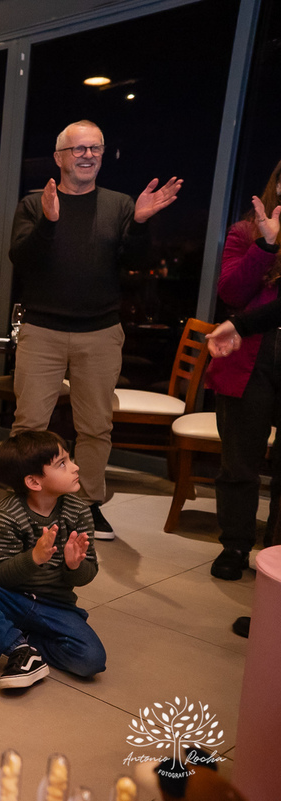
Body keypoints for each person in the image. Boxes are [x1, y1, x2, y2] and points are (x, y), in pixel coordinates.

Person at [9, 119, 182, 540]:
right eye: (79, 149)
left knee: (95, 426)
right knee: (29, 423)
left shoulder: (121, 204)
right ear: (59, 158)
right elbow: (22, 259)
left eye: (96, 148)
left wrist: (139, 223)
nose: (88, 155)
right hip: (42, 329)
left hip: (101, 332)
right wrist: (49, 222)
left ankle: (85, 505)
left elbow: (133, 265)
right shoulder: (36, 204)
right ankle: (24, 503)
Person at [0, 431, 104, 690]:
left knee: (91, 661)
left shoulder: (78, 511)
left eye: (69, 459)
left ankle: (21, 636)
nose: (75, 467)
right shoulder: (5, 515)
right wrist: (34, 558)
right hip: (11, 598)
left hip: (55, 605)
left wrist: (74, 566)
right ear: (34, 481)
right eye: (62, 463)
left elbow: (88, 572)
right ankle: (18, 648)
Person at [202, 159, 281, 581]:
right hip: (247, 355)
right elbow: (232, 291)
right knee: (239, 463)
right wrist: (267, 245)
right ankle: (234, 545)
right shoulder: (246, 231)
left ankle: (276, 555)